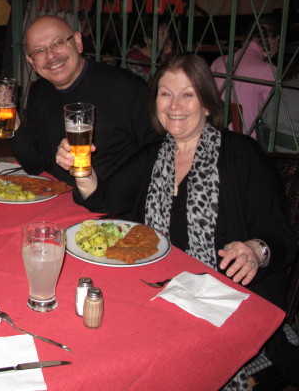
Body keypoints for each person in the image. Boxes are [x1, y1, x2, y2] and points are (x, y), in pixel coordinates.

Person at [56, 54, 295, 305]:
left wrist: (255, 252)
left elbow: (280, 236)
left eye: (187, 95)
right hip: (163, 288)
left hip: (231, 297)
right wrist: (80, 169)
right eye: (165, 94)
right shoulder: (155, 155)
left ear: (207, 104)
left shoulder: (242, 154)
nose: (174, 106)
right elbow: (106, 198)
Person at [0, 15, 158, 185]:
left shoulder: (126, 87)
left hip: (117, 205)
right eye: (39, 50)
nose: (51, 56)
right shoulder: (40, 93)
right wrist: (14, 124)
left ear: (77, 42)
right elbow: (35, 164)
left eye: (58, 43)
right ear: (31, 61)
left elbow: (157, 154)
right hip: (61, 196)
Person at [211, 16, 281, 136]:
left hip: (215, 137)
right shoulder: (268, 70)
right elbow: (273, 118)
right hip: (248, 143)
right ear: (275, 40)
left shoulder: (218, 62)